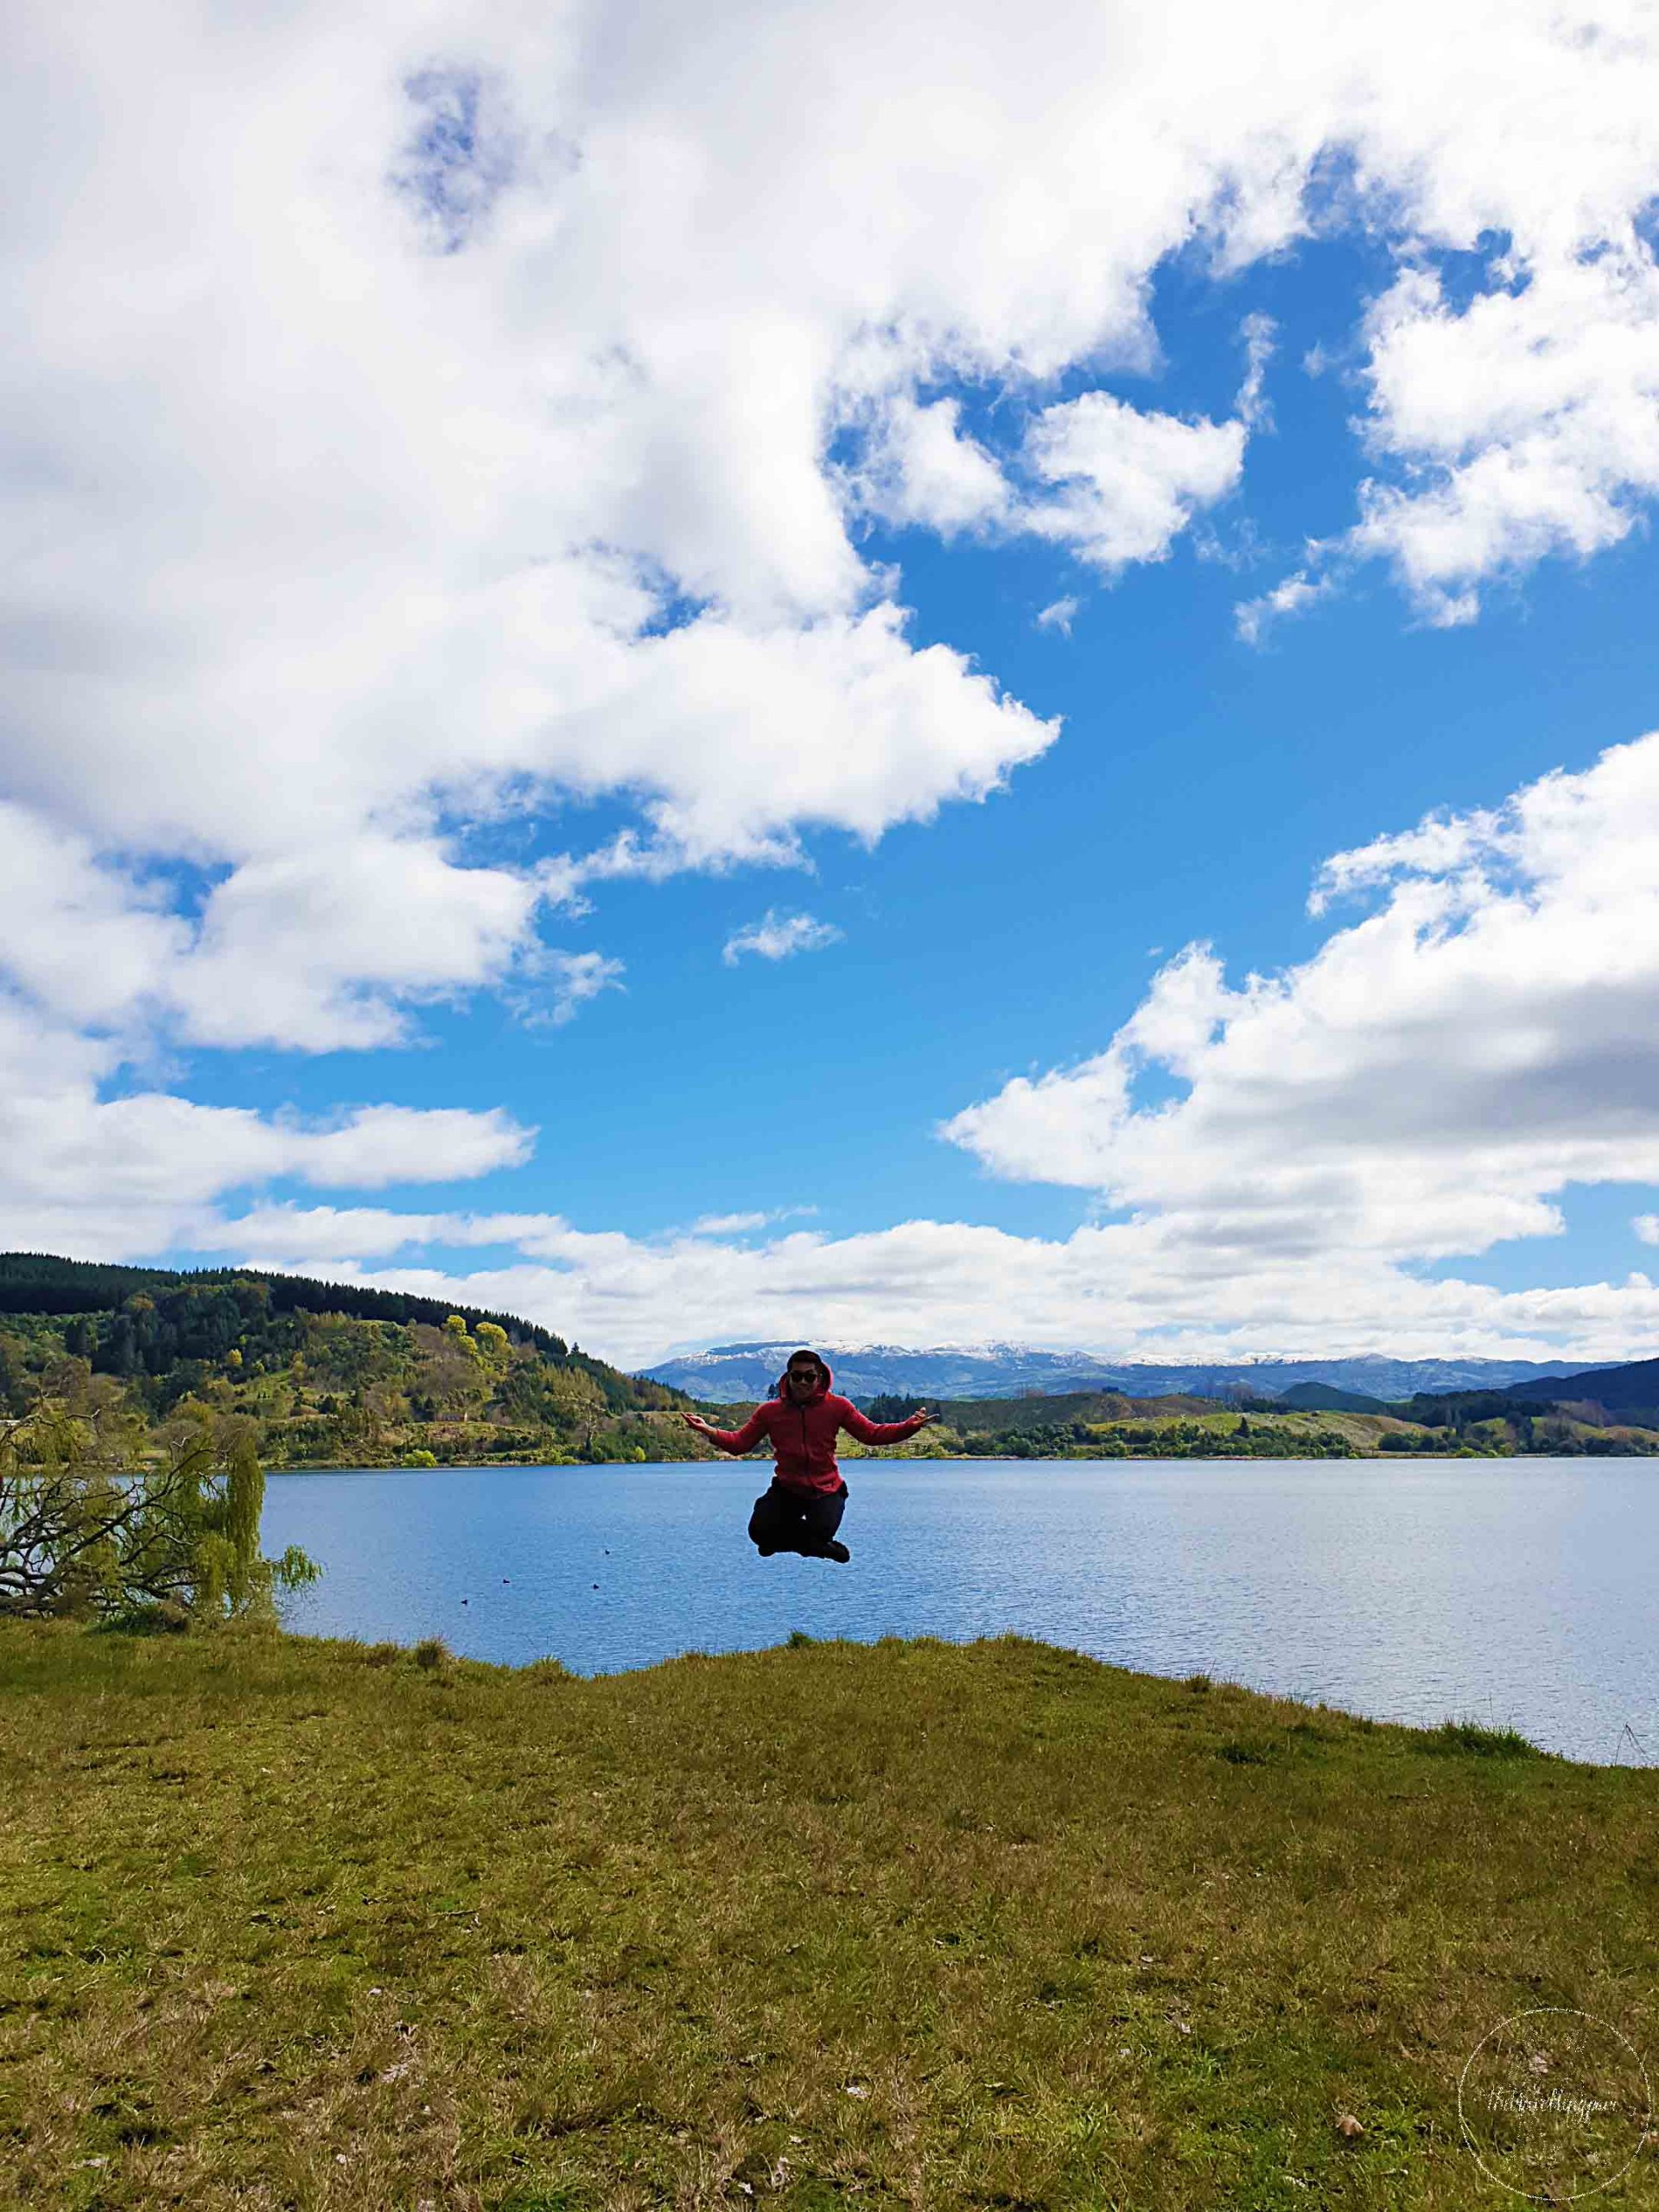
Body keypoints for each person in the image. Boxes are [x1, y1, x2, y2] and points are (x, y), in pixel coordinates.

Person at [682, 1348, 932, 1561]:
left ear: (820, 1377)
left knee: (817, 1533)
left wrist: (908, 1427)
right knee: (758, 1532)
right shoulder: (770, 1412)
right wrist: (708, 1429)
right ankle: (805, 1543)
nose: (803, 1382)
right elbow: (739, 1444)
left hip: (827, 1490)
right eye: (797, 1376)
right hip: (787, 1490)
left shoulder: (838, 1407)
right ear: (788, 1378)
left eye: (809, 1377)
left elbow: (872, 1434)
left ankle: (809, 1542)